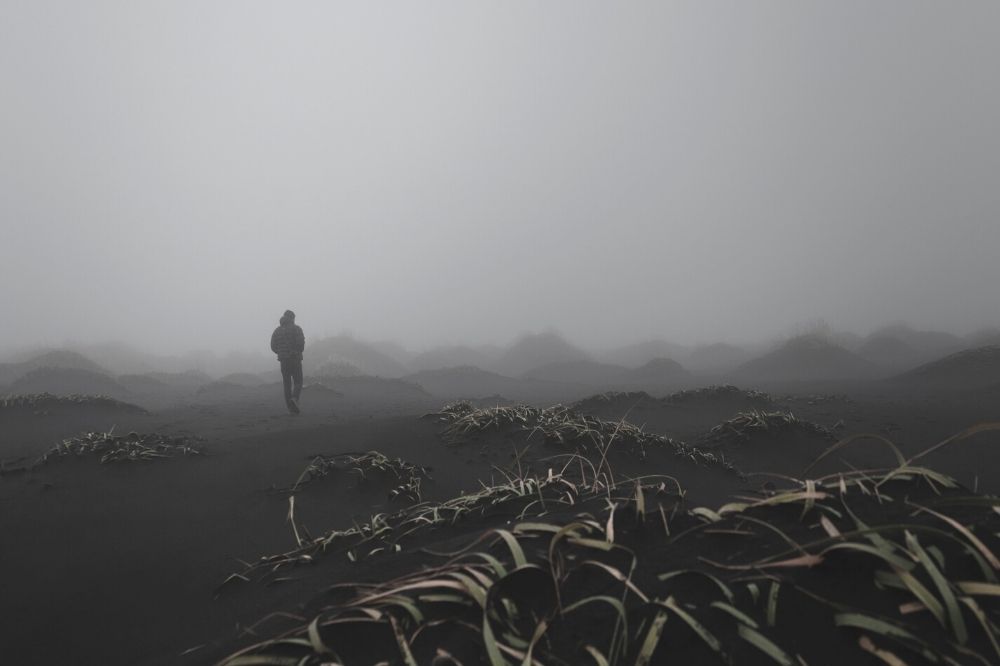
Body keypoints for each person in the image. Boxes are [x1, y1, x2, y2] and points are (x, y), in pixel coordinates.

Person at [270, 309, 305, 414]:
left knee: (287, 384)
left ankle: (290, 408)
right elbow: (301, 345)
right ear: (292, 318)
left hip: (283, 361)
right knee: (298, 381)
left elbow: (273, 346)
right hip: (295, 359)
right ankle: (294, 398)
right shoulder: (297, 329)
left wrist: (280, 352)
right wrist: (296, 351)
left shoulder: (277, 331)